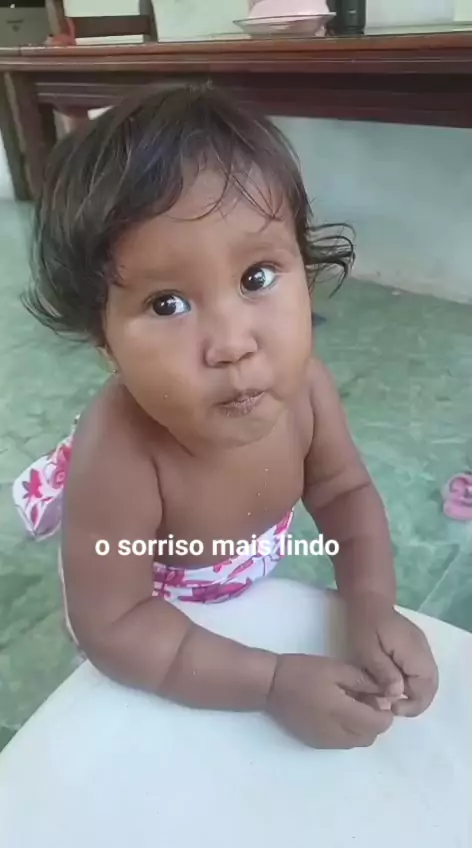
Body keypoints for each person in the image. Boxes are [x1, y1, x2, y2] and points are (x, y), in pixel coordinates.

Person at [14, 83, 438, 750]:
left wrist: (369, 602)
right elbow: (116, 626)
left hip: (240, 590)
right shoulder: (121, 453)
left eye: (257, 277)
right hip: (149, 609)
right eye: (167, 304)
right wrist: (269, 683)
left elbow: (344, 492)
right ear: (105, 343)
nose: (233, 343)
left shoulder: (306, 390)